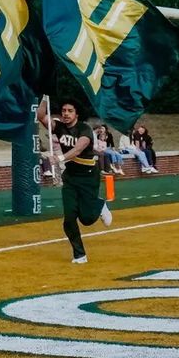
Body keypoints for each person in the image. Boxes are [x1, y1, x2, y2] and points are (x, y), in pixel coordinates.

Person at [38, 98, 113, 264]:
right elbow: (41, 115)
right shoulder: (59, 126)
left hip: (87, 175)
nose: (65, 114)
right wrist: (44, 96)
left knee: (86, 219)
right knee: (69, 218)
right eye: (63, 110)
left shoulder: (84, 129)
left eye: (69, 111)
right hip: (71, 177)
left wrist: (59, 158)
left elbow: (78, 148)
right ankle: (79, 254)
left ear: (77, 113)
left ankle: (100, 204)